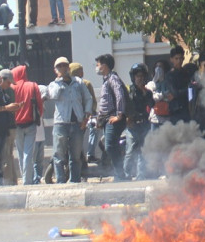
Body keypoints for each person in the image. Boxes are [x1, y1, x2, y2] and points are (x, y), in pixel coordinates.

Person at [47, 57, 90, 183]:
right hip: (61, 123)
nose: (63, 69)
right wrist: (60, 81)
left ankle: (75, 180)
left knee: (75, 156)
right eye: (59, 67)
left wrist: (86, 115)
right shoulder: (53, 84)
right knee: (59, 155)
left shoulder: (78, 82)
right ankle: (60, 181)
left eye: (65, 66)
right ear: (55, 70)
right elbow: (53, 95)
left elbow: (88, 98)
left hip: (77, 123)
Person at [95, 53, 128, 182]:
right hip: (106, 119)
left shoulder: (113, 78)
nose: (97, 68)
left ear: (104, 65)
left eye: (98, 65)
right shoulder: (106, 79)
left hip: (113, 118)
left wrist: (119, 115)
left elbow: (120, 95)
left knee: (110, 146)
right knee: (110, 145)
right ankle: (119, 174)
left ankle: (120, 174)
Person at [11, 64, 43, 186]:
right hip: (30, 124)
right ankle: (27, 181)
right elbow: (40, 105)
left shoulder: (11, 87)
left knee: (20, 153)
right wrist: (38, 116)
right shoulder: (33, 86)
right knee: (28, 153)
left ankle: (25, 178)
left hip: (16, 125)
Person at [124, 63, 152, 181]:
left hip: (144, 124)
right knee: (130, 151)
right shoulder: (129, 91)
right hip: (132, 125)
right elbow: (125, 105)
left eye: (142, 76)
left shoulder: (148, 92)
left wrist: (145, 94)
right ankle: (126, 175)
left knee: (143, 152)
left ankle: (141, 176)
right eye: (137, 76)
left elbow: (152, 105)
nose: (140, 79)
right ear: (133, 77)